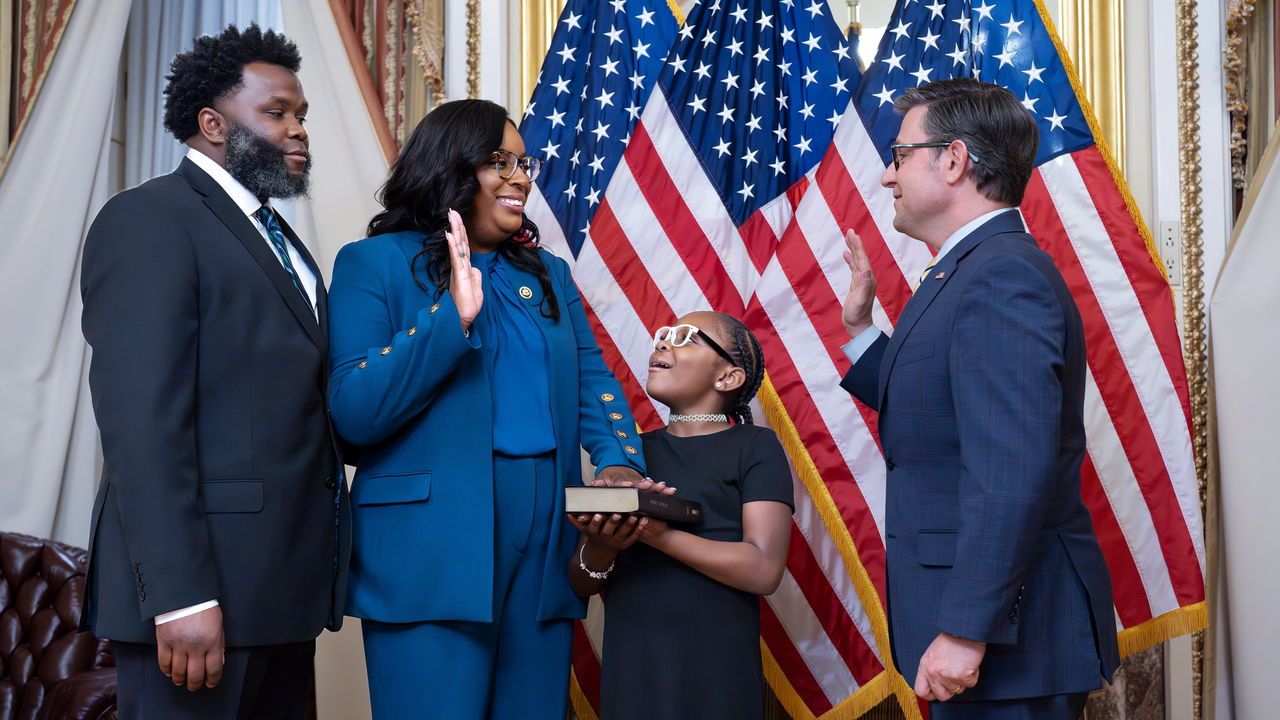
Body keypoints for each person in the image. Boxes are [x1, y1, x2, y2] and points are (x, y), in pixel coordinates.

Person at [326, 98, 645, 719]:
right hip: (431, 545)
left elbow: (591, 379)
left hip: (547, 536)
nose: (520, 177)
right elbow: (355, 411)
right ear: (451, 165)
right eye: (499, 161)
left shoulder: (548, 274)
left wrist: (619, 465)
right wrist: (452, 317)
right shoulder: (373, 263)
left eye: (525, 163)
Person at [79, 24, 349, 719]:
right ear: (212, 124)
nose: (298, 131)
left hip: (280, 597)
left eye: (302, 116)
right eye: (277, 113)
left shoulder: (279, 237)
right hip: (202, 602)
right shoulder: (150, 220)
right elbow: (142, 425)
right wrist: (180, 594)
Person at [838, 78, 1120, 719]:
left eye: (900, 154)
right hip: (985, 633)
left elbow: (1009, 471)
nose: (888, 177)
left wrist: (968, 628)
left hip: (1005, 642)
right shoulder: (973, 269)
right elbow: (942, 415)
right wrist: (861, 333)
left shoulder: (1000, 276)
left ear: (955, 160)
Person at [569, 311, 794, 720]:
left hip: (717, 672)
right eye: (662, 335)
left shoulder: (756, 446)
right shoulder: (626, 457)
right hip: (632, 670)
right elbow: (581, 580)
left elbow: (764, 569)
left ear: (727, 378)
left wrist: (657, 535)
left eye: (686, 337)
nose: (662, 343)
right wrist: (603, 542)